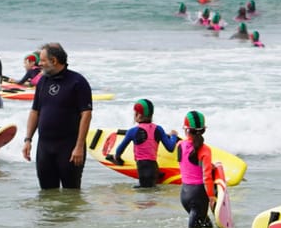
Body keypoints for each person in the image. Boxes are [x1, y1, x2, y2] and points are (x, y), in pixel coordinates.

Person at [22, 43, 92, 190]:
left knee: (71, 194)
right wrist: (28, 139)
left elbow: (86, 114)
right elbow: (35, 111)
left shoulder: (78, 82)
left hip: (69, 147)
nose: (39, 63)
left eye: (42, 60)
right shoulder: (43, 82)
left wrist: (79, 146)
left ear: (54, 60)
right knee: (47, 195)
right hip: (45, 147)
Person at [107, 98, 173, 188]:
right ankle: (158, 174)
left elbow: (120, 150)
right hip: (154, 168)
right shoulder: (159, 129)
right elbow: (170, 148)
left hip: (143, 171)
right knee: (153, 193)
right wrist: (173, 136)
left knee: (143, 196)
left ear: (138, 115)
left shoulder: (132, 131)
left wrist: (116, 158)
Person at [178, 110, 217, 228]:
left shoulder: (179, 145)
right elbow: (207, 177)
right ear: (204, 129)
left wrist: (209, 165)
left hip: (184, 194)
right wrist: (211, 196)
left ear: (186, 129)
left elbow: (188, 165)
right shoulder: (205, 150)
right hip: (199, 196)